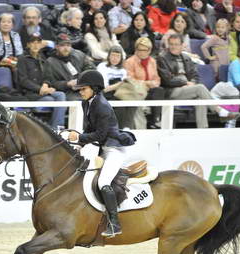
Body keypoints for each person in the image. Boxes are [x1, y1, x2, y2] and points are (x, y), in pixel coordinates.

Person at [66, 70, 136, 238]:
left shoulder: (102, 106)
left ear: (95, 89)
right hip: (103, 148)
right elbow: (89, 129)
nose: (80, 92)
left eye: (84, 88)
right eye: (80, 89)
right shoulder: (87, 103)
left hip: (114, 149)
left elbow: (100, 135)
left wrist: (79, 137)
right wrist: (80, 145)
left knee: (103, 181)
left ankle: (114, 223)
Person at [157, 33, 240, 128]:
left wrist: (192, 83)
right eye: (171, 44)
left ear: (182, 45)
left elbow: (195, 76)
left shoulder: (186, 58)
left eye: (176, 44)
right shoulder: (162, 58)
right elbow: (167, 80)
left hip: (188, 89)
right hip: (171, 91)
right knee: (200, 88)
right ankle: (219, 111)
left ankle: (203, 129)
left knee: (200, 99)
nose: (173, 47)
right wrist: (184, 83)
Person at [16, 34, 67, 129]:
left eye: (38, 43)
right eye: (33, 43)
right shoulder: (22, 59)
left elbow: (48, 77)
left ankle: (56, 127)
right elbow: (23, 81)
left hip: (43, 92)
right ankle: (54, 128)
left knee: (61, 95)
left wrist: (45, 85)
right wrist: (40, 89)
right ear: (28, 45)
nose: (36, 45)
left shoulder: (43, 58)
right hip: (29, 94)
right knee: (51, 100)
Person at [124, 37, 165, 129]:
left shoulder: (152, 61)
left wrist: (148, 84)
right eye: (139, 50)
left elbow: (157, 80)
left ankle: (156, 120)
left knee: (159, 90)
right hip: (136, 90)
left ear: (149, 50)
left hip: (149, 90)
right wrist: (146, 83)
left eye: (145, 50)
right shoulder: (130, 61)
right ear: (136, 49)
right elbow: (130, 80)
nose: (142, 52)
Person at [44, 33, 96, 101]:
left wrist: (83, 80)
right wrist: (67, 84)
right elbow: (51, 83)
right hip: (67, 93)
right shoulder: (50, 62)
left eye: (68, 45)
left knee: (98, 98)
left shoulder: (79, 54)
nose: (66, 48)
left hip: (85, 88)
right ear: (56, 46)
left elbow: (91, 68)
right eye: (62, 45)